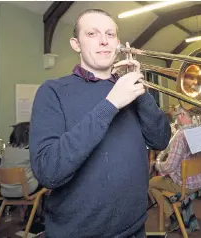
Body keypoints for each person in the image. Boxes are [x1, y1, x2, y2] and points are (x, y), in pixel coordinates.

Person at [29, 9, 171, 238]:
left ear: (118, 42)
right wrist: (111, 103)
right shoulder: (52, 91)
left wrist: (140, 90)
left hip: (135, 229)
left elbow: (161, 140)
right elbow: (48, 171)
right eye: (92, 34)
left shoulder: (132, 90)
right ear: (76, 44)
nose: (104, 41)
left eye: (110, 34)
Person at [149, 106, 201, 230]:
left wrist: (156, 165)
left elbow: (170, 167)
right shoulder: (200, 130)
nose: (177, 117)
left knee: (151, 183)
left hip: (186, 186)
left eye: (178, 115)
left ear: (182, 115)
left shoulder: (180, 136)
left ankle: (173, 215)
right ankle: (175, 211)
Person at [0, 122, 40, 198]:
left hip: (5, 191)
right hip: (25, 190)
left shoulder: (7, 150)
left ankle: (22, 208)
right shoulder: (30, 151)